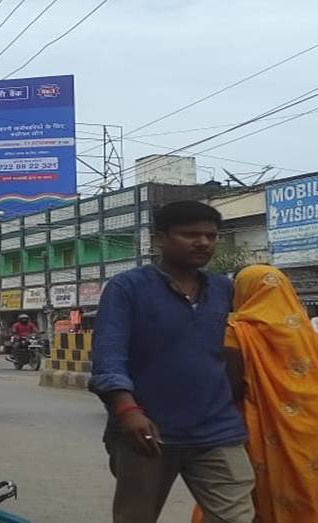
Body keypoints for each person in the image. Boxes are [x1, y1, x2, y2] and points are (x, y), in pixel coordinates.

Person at [89, 201, 253, 523]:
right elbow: (109, 355)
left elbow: (242, 345)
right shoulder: (128, 288)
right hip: (146, 433)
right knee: (136, 517)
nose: (203, 242)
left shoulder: (223, 290)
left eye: (211, 236)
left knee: (238, 518)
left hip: (217, 431)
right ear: (160, 238)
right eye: (190, 234)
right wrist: (126, 409)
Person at [199, 265, 318, 522]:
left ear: (244, 292)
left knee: (264, 493)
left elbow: (232, 388)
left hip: (264, 431)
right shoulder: (308, 334)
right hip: (316, 428)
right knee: (313, 484)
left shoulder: (237, 331)